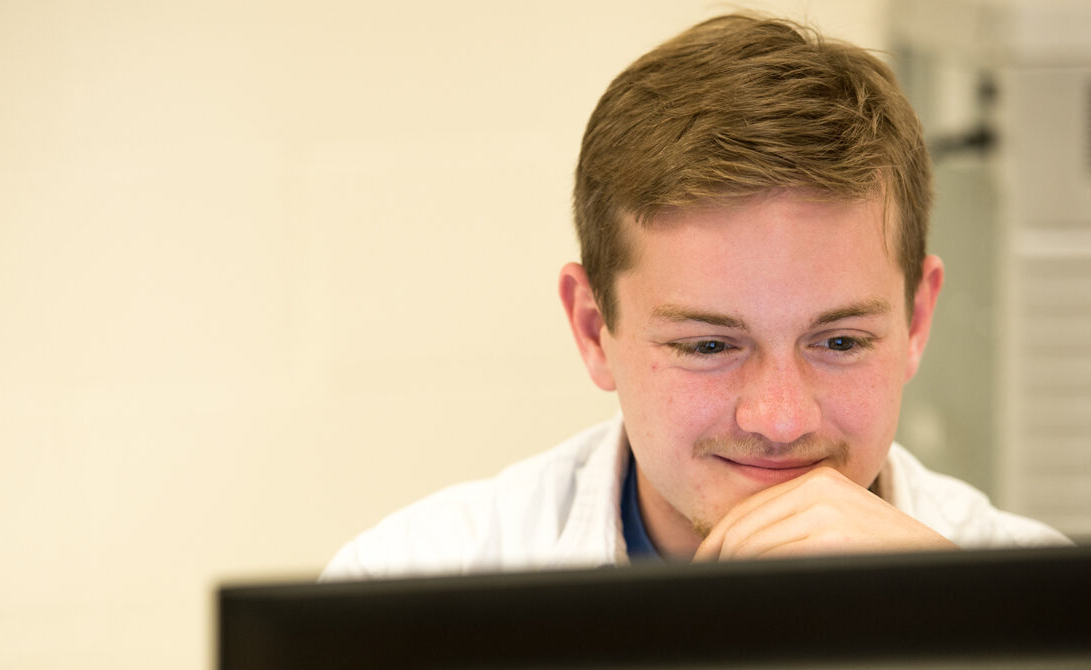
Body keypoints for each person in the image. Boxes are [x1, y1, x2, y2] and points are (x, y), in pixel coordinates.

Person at [321, 14, 1070, 580]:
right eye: (710, 345)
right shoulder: (409, 585)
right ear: (592, 329)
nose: (780, 420)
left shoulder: (1047, 613)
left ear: (916, 319)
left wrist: (953, 615)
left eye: (839, 342)